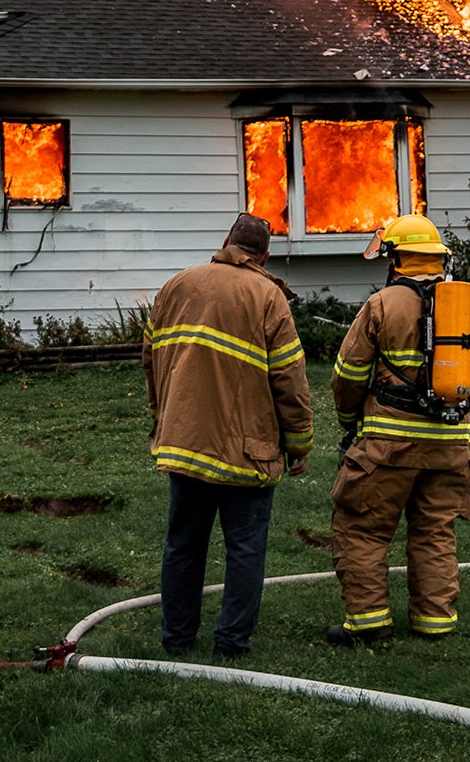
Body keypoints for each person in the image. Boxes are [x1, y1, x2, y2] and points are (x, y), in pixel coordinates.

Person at [143, 213, 313, 658]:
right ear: (265, 255)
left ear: (225, 242)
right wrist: (298, 442)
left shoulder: (176, 286)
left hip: (185, 443)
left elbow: (150, 360)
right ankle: (232, 643)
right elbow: (290, 380)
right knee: (245, 549)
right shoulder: (268, 297)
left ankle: (176, 640)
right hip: (246, 452)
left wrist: (164, 416)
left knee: (183, 544)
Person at [327, 213, 470, 645]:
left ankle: (368, 623)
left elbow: (347, 376)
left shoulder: (382, 306)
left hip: (387, 447)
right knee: (435, 532)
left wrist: (352, 423)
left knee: (362, 528)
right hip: (450, 448)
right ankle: (434, 622)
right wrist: (464, 426)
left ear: (395, 259)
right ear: (438, 260)